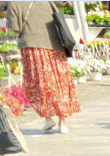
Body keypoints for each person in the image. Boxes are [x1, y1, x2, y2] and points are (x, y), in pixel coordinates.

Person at [5, 1, 80, 134]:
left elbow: (14, 28)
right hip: (54, 45)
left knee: (39, 83)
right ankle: (62, 122)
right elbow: (57, 14)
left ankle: (48, 118)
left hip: (32, 48)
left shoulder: (14, 2)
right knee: (59, 81)